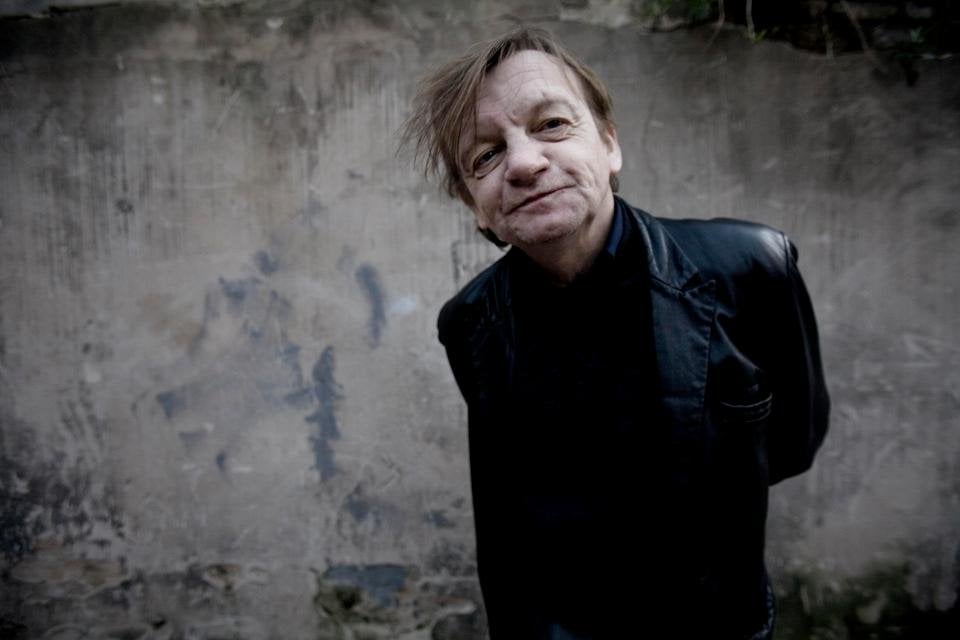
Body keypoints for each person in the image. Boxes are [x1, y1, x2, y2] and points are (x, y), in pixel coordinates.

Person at [403, 27, 829, 640]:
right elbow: (509, 517)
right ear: (475, 206)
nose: (524, 163)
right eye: (485, 156)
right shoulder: (469, 322)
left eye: (552, 124)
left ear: (609, 144)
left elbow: (793, 443)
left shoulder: (752, 266)